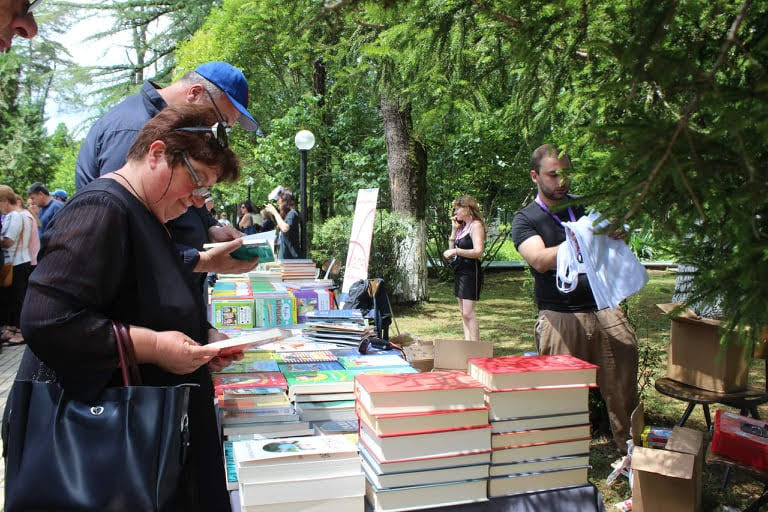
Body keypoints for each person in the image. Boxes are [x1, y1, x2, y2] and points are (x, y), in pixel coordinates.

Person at [19, 104, 244, 511]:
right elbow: (46, 320)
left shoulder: (143, 210)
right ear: (157, 153)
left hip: (144, 437)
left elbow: (142, 293)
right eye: (196, 180)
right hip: (105, 443)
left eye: (206, 190)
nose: (197, 201)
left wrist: (204, 337)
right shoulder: (101, 208)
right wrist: (153, 347)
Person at [74, 61, 262, 299]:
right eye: (219, 122)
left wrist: (210, 228)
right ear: (195, 93)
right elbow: (124, 234)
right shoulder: (132, 130)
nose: (215, 134)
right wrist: (200, 260)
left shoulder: (171, 127)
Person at [511, 143, 638, 454]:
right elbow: (539, 259)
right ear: (534, 176)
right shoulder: (525, 219)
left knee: (624, 388)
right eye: (553, 175)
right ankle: (560, 459)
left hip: (605, 309)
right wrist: (579, 242)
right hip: (559, 317)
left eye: (566, 174)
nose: (562, 181)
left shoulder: (584, 208)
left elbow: (610, 239)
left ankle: (634, 455)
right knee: (560, 395)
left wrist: (617, 232)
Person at [443, 195, 486, 341]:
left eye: (457, 209)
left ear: (467, 208)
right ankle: (467, 344)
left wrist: (456, 251)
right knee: (463, 312)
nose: (455, 212)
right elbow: (451, 249)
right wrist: (454, 231)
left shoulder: (476, 225)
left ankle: (475, 346)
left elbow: (478, 251)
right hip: (460, 270)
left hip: (470, 271)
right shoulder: (463, 227)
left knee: (468, 313)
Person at [0, 186, 32, 345]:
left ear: (5, 201)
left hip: (16, 262)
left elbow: (8, 241)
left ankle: (20, 331)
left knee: (17, 299)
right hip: (21, 260)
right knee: (17, 298)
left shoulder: (14, 216)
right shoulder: (23, 214)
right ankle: (14, 328)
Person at [265, 188, 304, 259]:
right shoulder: (288, 216)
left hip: (291, 259)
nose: (278, 203)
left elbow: (285, 228)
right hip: (285, 259)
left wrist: (275, 212)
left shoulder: (292, 213)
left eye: (279, 201)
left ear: (285, 202)